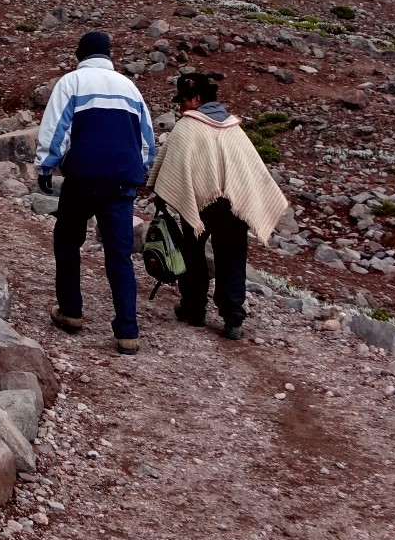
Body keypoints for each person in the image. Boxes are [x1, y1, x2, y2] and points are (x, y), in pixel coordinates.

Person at [34, 31, 156, 353]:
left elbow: (56, 127)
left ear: (80, 54)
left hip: (84, 178)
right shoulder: (131, 89)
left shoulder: (72, 82)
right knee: (119, 253)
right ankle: (127, 331)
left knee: (68, 238)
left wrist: (46, 166)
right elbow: (147, 140)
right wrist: (139, 171)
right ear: (108, 55)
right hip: (121, 182)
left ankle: (71, 311)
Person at [150, 72, 289, 340]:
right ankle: (233, 318)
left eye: (184, 100)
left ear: (197, 99)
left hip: (200, 204)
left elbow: (173, 169)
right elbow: (248, 169)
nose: (181, 107)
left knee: (193, 254)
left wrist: (163, 195)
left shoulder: (187, 127)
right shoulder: (233, 128)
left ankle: (194, 309)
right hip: (234, 205)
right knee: (233, 257)